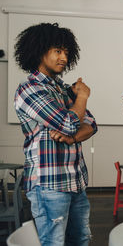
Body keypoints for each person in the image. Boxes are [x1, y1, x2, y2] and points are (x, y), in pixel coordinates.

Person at [14, 23, 97, 246]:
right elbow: (70, 122)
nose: (64, 57)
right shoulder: (30, 89)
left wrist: (72, 137)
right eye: (58, 51)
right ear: (39, 50)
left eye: (66, 52)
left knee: (80, 239)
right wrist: (82, 97)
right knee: (53, 243)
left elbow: (90, 123)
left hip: (75, 181)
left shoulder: (60, 88)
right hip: (49, 185)